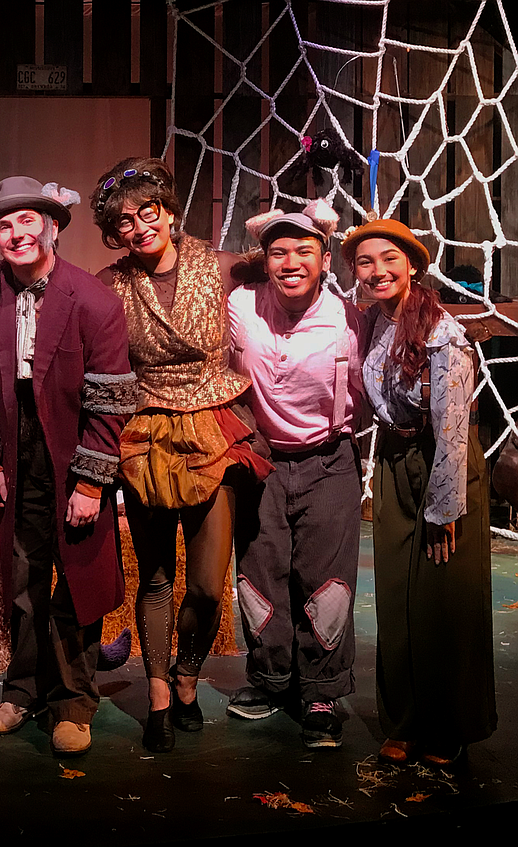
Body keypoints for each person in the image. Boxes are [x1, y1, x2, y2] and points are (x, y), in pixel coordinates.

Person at [89, 157, 272, 753]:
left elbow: (278, 260)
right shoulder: (109, 283)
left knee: (208, 585)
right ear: (115, 233)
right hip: (142, 431)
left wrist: (301, 222)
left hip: (212, 426)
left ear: (168, 211)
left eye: (149, 212)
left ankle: (190, 677)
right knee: (156, 578)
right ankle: (161, 699)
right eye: (125, 221)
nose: (140, 227)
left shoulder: (216, 266)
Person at [0, 177, 135, 757]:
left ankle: (74, 702)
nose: (16, 234)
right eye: (4, 225)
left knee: (76, 580)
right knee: (23, 579)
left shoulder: (95, 300)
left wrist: (89, 481)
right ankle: (22, 690)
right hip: (16, 450)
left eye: (27, 221)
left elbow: (110, 399)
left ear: (52, 227)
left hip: (74, 449)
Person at [343, 218, 496, 766]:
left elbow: (453, 426)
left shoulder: (441, 332)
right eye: (365, 262)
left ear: (411, 266)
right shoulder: (370, 323)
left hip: (442, 464)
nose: (377, 270)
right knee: (395, 600)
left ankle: (448, 725)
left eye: (389, 259)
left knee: (443, 600)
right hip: (394, 461)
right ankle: (404, 721)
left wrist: (443, 507)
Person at [226, 199, 374, 748]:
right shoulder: (241, 305)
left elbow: (368, 393)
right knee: (260, 574)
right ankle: (269, 678)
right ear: (264, 260)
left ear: (324, 258)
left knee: (327, 580)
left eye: (303, 251)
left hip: (328, 459)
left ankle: (324, 689)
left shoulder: (347, 320)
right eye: (279, 252)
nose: (291, 262)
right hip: (260, 458)